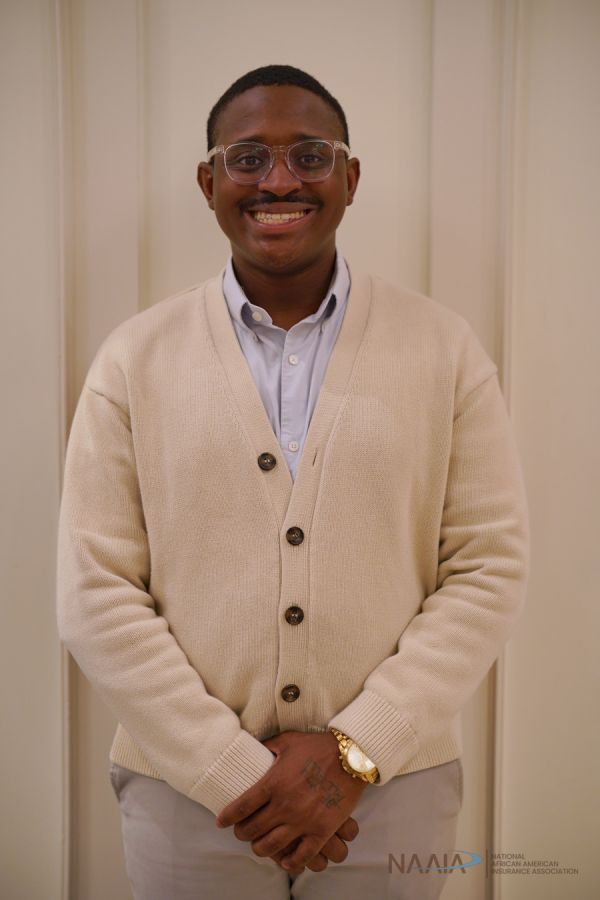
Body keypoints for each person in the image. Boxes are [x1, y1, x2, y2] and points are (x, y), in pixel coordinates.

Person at [56, 64, 530, 899]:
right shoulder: (134, 359)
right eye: (247, 158)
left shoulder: (444, 349)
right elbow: (95, 589)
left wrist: (355, 752)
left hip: (394, 791)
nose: (279, 181)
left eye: (310, 155)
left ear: (350, 177)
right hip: (187, 797)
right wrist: (228, 767)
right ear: (208, 183)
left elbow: (487, 566)